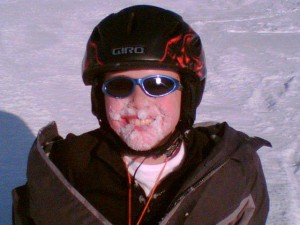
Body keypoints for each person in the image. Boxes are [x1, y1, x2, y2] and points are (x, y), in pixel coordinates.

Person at [12, 5, 271, 225]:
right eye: (119, 86)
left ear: (188, 94)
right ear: (99, 100)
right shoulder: (63, 174)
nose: (139, 103)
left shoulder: (232, 172)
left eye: (158, 84)